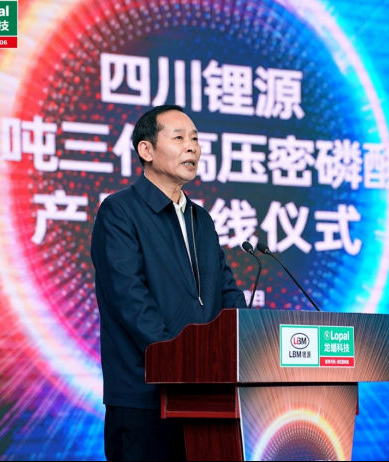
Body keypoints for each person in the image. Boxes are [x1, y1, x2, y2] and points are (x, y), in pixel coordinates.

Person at [91, 105, 246, 461]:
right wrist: (181, 362)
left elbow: (227, 292)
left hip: (207, 398)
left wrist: (245, 340)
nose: (192, 147)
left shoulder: (201, 219)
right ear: (146, 150)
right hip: (144, 398)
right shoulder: (119, 212)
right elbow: (130, 300)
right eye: (178, 138)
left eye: (195, 139)